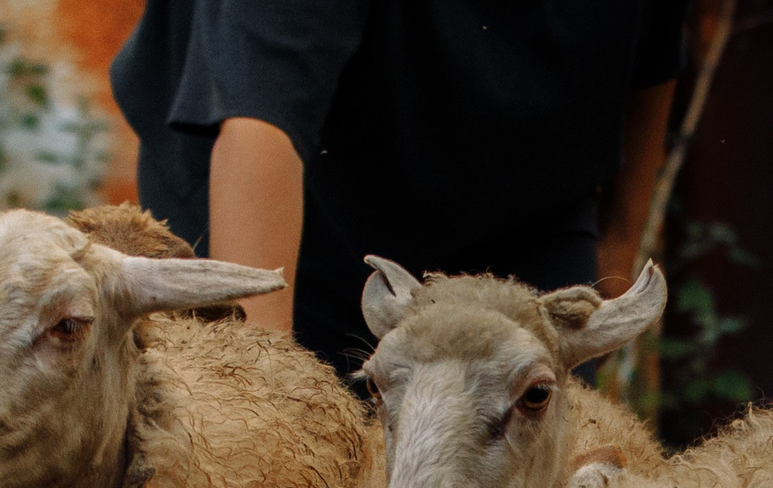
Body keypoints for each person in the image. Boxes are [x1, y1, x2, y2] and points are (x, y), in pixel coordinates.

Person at [110, 0, 688, 371]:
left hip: (521, 193)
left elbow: (650, 64)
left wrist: (612, 264)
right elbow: (261, 129)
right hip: (292, 209)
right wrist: (267, 398)